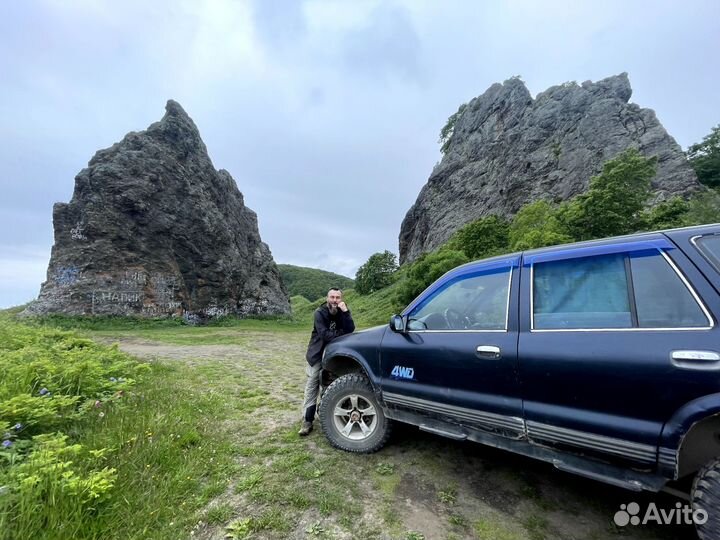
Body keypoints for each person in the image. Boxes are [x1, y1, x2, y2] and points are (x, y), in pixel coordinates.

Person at [299, 287, 355, 436]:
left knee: (330, 384)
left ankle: (325, 414)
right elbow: (324, 334)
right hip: (317, 354)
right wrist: (341, 334)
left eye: (337, 297)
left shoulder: (342, 311)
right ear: (327, 298)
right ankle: (307, 420)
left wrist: (346, 313)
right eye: (332, 297)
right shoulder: (320, 312)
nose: (335, 300)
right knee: (312, 384)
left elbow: (351, 329)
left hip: (335, 355)